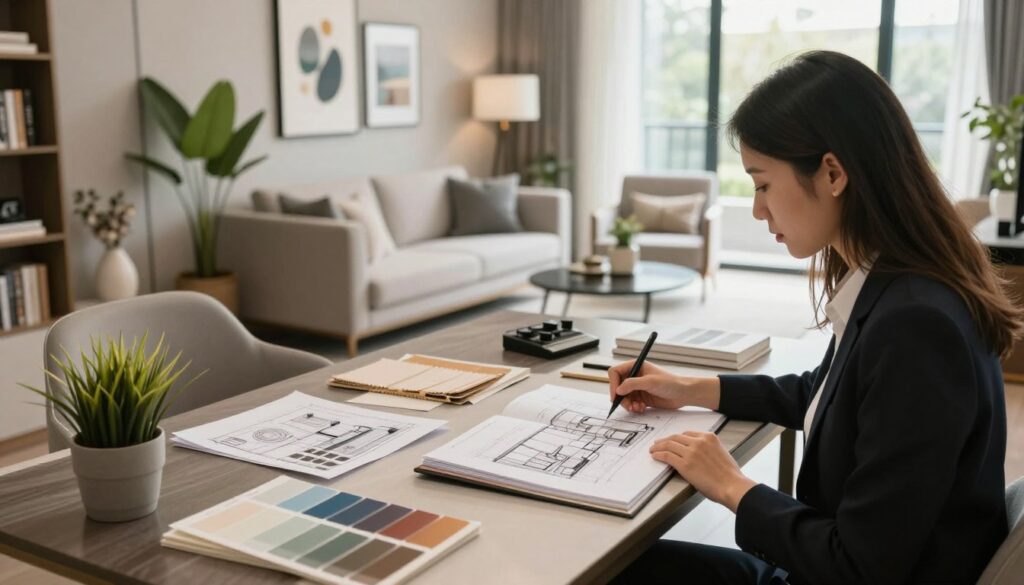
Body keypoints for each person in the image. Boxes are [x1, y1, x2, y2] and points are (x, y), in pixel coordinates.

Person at [609, 50, 1020, 585]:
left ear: (832, 173)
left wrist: (733, 486)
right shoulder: (897, 286)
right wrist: (689, 388)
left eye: (761, 183)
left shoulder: (916, 327)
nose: (757, 209)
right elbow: (825, 392)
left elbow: (857, 567)